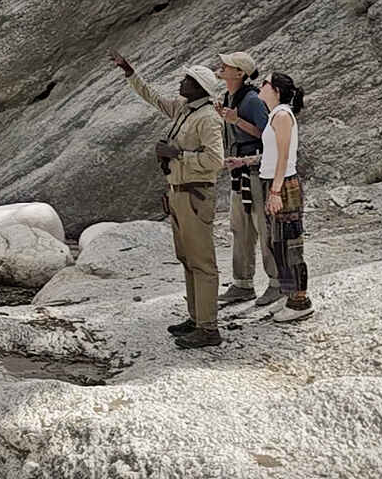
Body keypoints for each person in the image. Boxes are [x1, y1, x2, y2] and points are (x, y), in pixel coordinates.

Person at [111, 49, 226, 349]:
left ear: (200, 87)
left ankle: (209, 327)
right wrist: (130, 73)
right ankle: (196, 317)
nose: (182, 81)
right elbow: (153, 98)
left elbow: (215, 160)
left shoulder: (208, 119)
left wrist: (178, 155)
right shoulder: (185, 109)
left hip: (196, 195)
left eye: (188, 79)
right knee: (187, 258)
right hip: (180, 193)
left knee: (202, 261)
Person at [214, 51, 279, 309]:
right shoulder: (231, 97)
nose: (221, 66)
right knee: (240, 229)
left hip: (255, 172)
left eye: (227, 65)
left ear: (239, 73)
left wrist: (235, 120)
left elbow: (269, 136)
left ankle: (276, 284)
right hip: (238, 172)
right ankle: (242, 284)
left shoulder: (251, 101)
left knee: (264, 230)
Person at [259, 70, 314, 321]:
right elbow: (272, 156)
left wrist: (275, 191)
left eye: (265, 83)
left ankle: (300, 301)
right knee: (277, 243)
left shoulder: (282, 115)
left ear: (276, 90)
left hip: (283, 185)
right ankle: (288, 295)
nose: (260, 86)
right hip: (274, 181)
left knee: (291, 244)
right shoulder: (274, 115)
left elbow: (283, 157)